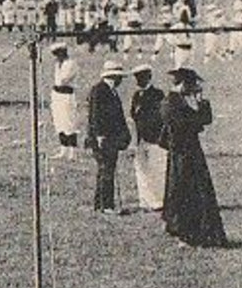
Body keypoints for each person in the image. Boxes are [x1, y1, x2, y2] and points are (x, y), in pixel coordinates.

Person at [161, 68, 227, 247]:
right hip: (182, 154)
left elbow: (206, 119)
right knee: (185, 193)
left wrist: (200, 103)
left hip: (191, 153)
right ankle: (185, 233)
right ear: (183, 84)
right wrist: (196, 113)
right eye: (191, 86)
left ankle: (200, 233)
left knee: (198, 192)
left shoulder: (181, 101)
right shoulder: (170, 103)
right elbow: (188, 125)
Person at [86, 60, 130, 215]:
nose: (121, 81)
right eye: (119, 78)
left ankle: (101, 204)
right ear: (113, 77)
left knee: (107, 169)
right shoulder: (99, 90)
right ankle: (106, 205)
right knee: (106, 170)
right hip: (102, 138)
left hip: (111, 138)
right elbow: (95, 115)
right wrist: (99, 136)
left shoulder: (112, 91)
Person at [129, 65, 167, 213]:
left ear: (149, 77)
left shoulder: (157, 94)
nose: (139, 80)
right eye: (137, 78)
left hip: (154, 138)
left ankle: (158, 201)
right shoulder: (136, 95)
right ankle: (144, 200)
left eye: (142, 77)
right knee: (142, 170)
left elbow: (160, 117)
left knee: (156, 170)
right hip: (141, 138)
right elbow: (134, 115)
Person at [48, 42, 79, 160]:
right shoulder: (58, 64)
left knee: (69, 123)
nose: (56, 57)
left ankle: (72, 152)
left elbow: (63, 80)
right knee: (59, 122)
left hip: (66, 94)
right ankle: (63, 149)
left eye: (58, 54)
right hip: (57, 95)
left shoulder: (71, 64)